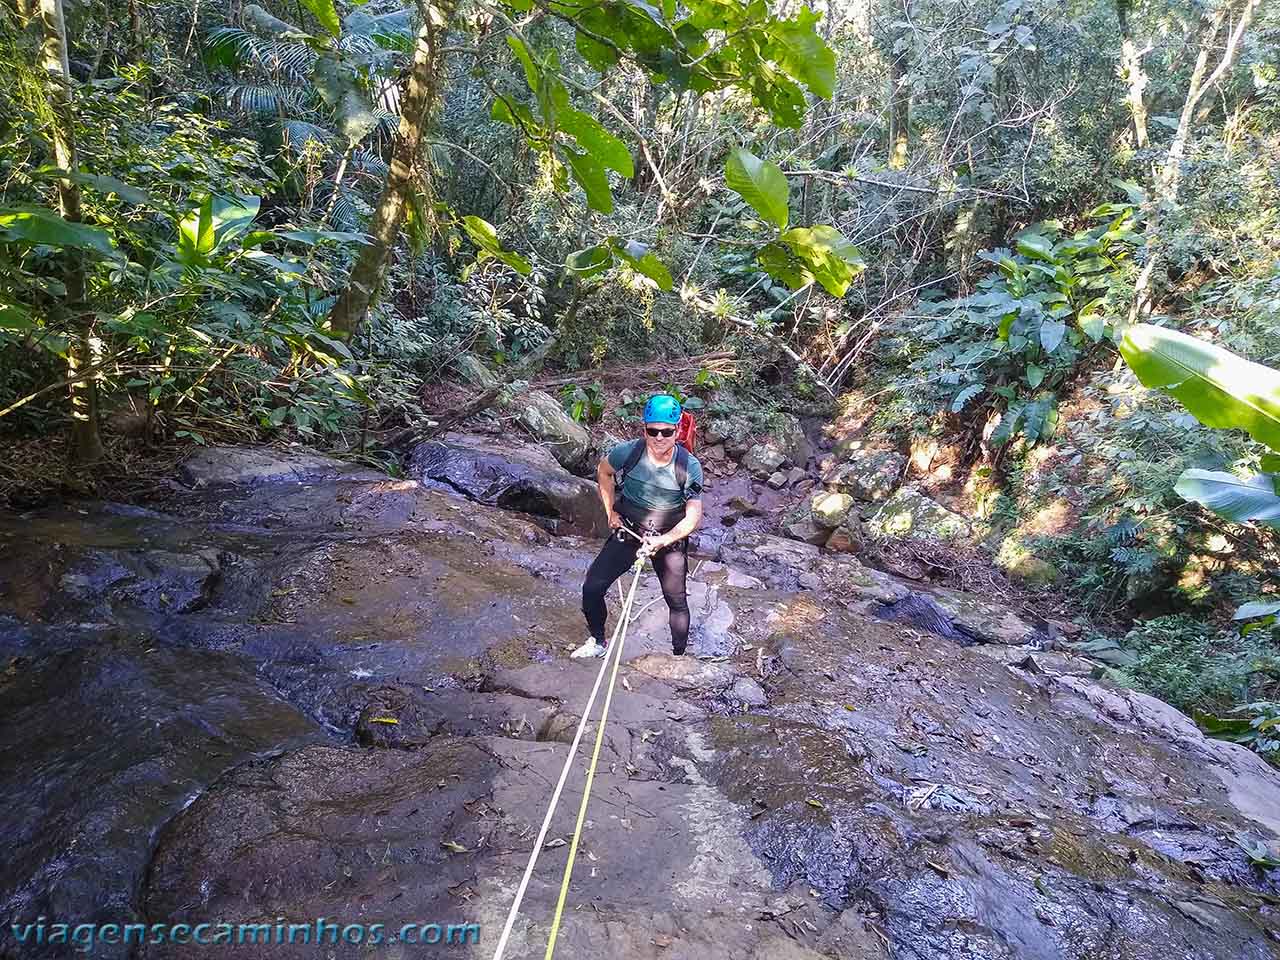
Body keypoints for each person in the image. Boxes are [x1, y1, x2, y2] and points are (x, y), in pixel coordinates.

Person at [572, 394, 705, 659]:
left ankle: (678, 657)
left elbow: (693, 517)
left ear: (677, 431)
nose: (658, 438)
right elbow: (604, 472)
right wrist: (610, 512)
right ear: (644, 428)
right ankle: (598, 642)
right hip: (629, 531)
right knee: (592, 588)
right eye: (652, 430)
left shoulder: (688, 466)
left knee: (676, 600)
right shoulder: (629, 452)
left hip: (668, 542)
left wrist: (664, 540)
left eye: (666, 432)